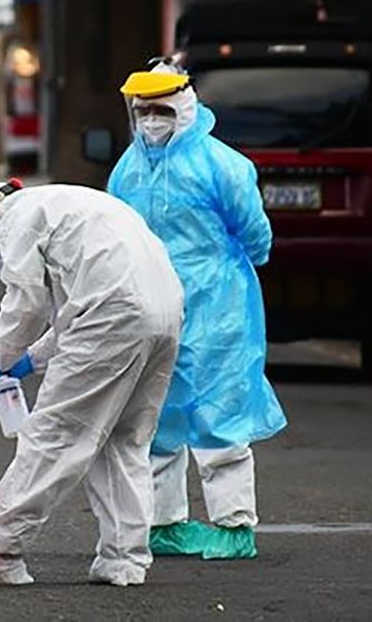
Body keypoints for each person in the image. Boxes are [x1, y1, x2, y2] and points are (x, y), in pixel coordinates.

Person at [0, 179, 185, 586]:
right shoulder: (70, 204)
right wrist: (29, 360)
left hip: (113, 318)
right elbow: (77, 305)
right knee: (123, 439)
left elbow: (28, 301)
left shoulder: (17, 218)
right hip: (163, 317)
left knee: (53, 437)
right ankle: (124, 560)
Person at [106, 60, 287, 560]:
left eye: (160, 110)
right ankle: (164, 523)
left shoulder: (222, 164)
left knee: (218, 413)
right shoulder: (129, 167)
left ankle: (233, 525)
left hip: (217, 308)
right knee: (156, 415)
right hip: (152, 305)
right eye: (142, 112)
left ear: (184, 107)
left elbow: (255, 234)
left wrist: (222, 277)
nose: (150, 121)